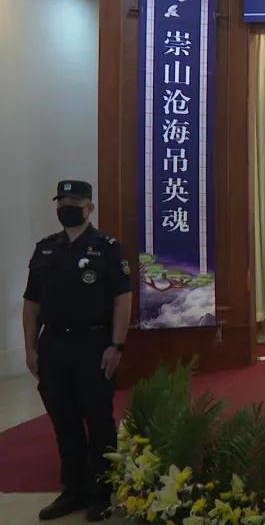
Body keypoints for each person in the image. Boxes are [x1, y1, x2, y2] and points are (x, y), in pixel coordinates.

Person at [23, 180, 133, 521]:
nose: (66, 207)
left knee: (98, 420)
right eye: (62, 201)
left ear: (90, 207)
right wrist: (30, 349)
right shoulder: (45, 249)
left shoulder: (107, 248)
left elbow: (122, 299)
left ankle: (101, 492)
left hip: (93, 345)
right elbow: (31, 303)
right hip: (53, 345)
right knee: (64, 421)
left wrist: (116, 345)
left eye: (74, 201)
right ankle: (72, 491)